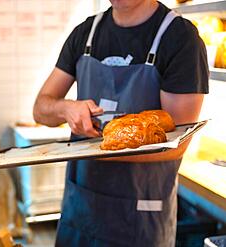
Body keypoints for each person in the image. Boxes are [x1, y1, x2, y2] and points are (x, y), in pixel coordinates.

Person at [33, 0, 209, 246]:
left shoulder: (179, 38)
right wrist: (66, 108)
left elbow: (176, 145)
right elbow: (41, 109)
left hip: (141, 216)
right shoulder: (85, 33)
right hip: (81, 209)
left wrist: (101, 148)